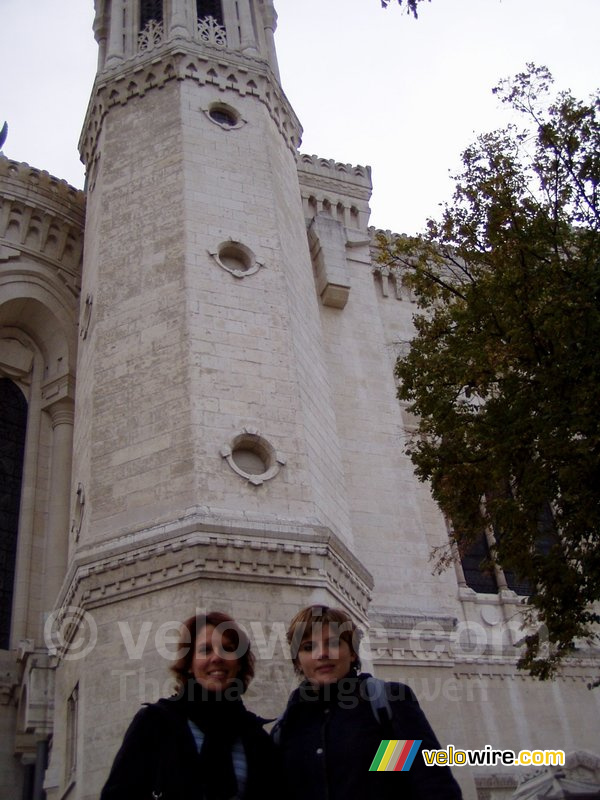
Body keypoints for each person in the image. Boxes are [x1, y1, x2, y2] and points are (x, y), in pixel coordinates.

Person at [273, 604, 463, 800]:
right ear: (297, 661)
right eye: (308, 647)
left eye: (333, 643)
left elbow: (429, 782)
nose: (322, 654)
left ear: (353, 653)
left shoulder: (386, 705)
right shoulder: (289, 724)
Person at [100, 611, 279, 800]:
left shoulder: (256, 738)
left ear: (240, 664)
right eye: (205, 650)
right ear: (188, 664)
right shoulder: (155, 723)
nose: (217, 657)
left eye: (228, 648)